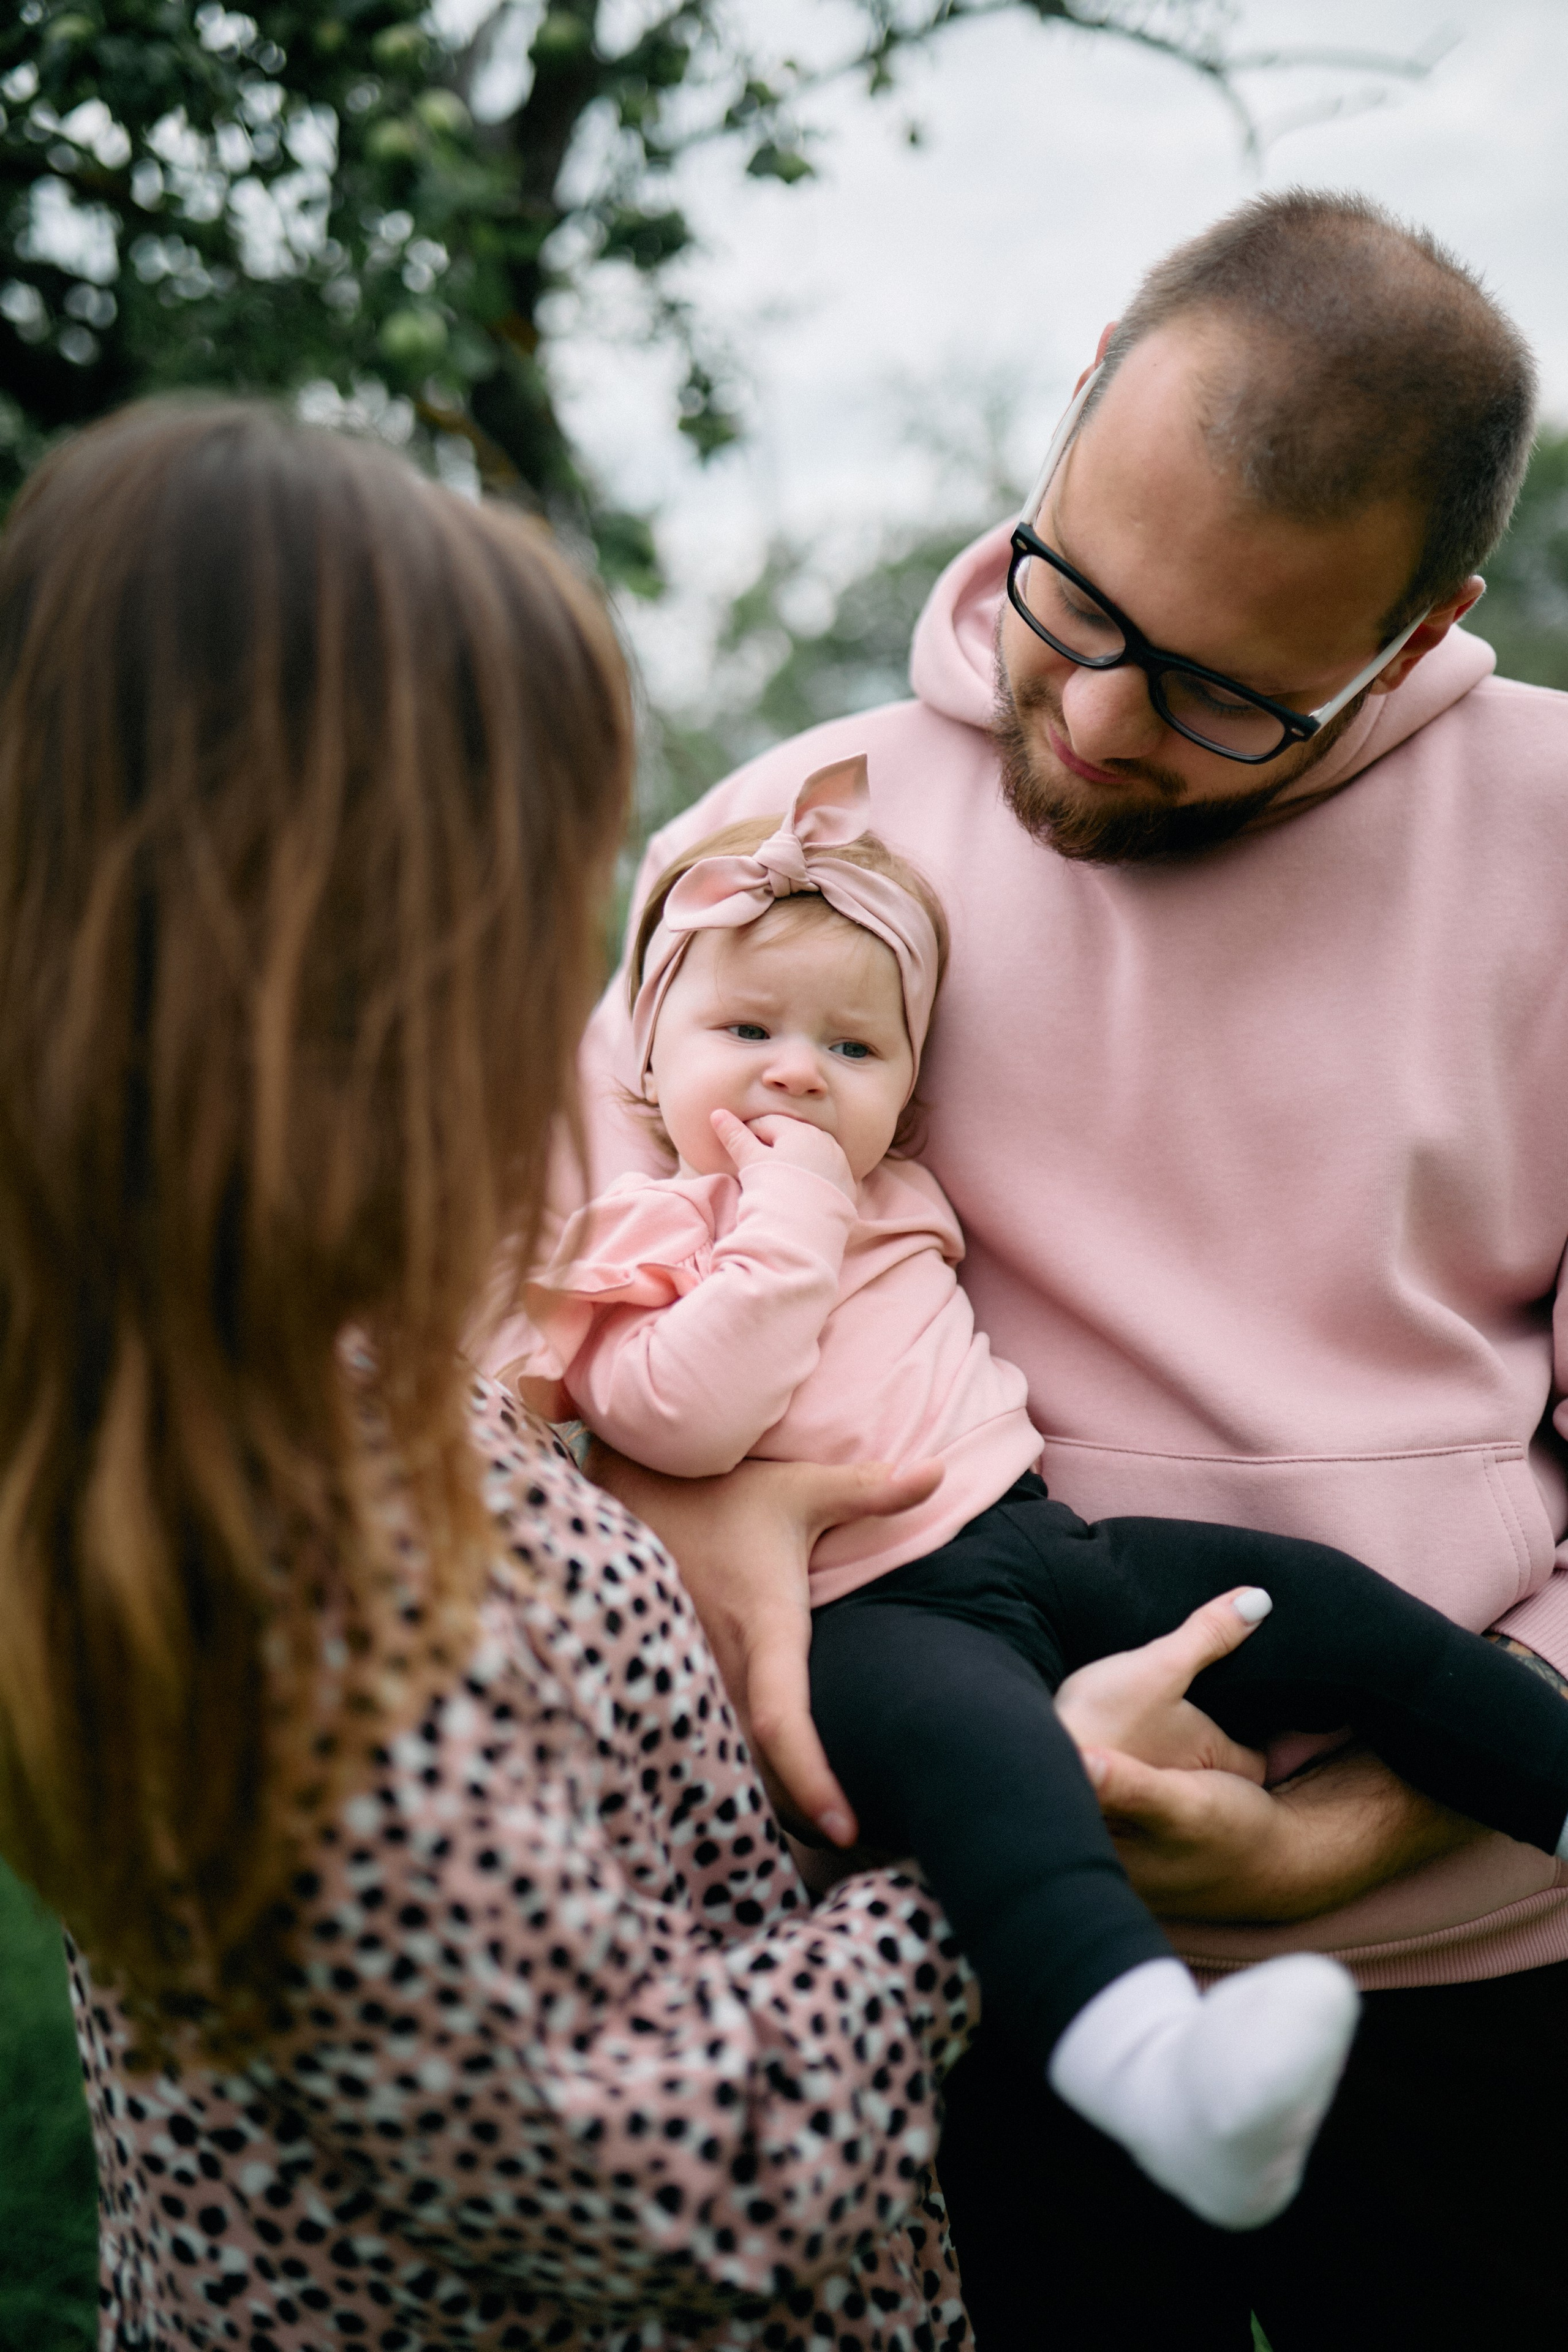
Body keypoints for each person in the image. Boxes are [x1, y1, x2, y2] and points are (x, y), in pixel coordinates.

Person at [568, 190, 1568, 2349]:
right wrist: (732, 1504)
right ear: (1085, 382)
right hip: (982, 1962)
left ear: (1419, 631)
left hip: (1502, 1957)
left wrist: (1348, 1844)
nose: (1102, 725)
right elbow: (557, 1341)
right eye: (1074, 603)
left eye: (1225, 693)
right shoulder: (775, 864)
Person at [0, 398, 992, 2351]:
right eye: (541, 900)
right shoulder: (312, 1565)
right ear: (359, 955)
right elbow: (641, 2183)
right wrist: (999, 1850)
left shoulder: (268, 1359)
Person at [503, 747, 1568, 2238]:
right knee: (1004, 1779)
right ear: (647, 1055)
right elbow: (682, 1417)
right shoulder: (640, 1237)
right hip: (866, 1621)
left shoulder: (897, 1192)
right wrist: (790, 1210)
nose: (797, 1070)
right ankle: (1153, 2066)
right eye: (744, 1028)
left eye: (853, 1052)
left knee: (1318, 1604)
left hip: (1035, 1537)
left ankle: (1549, 1777)